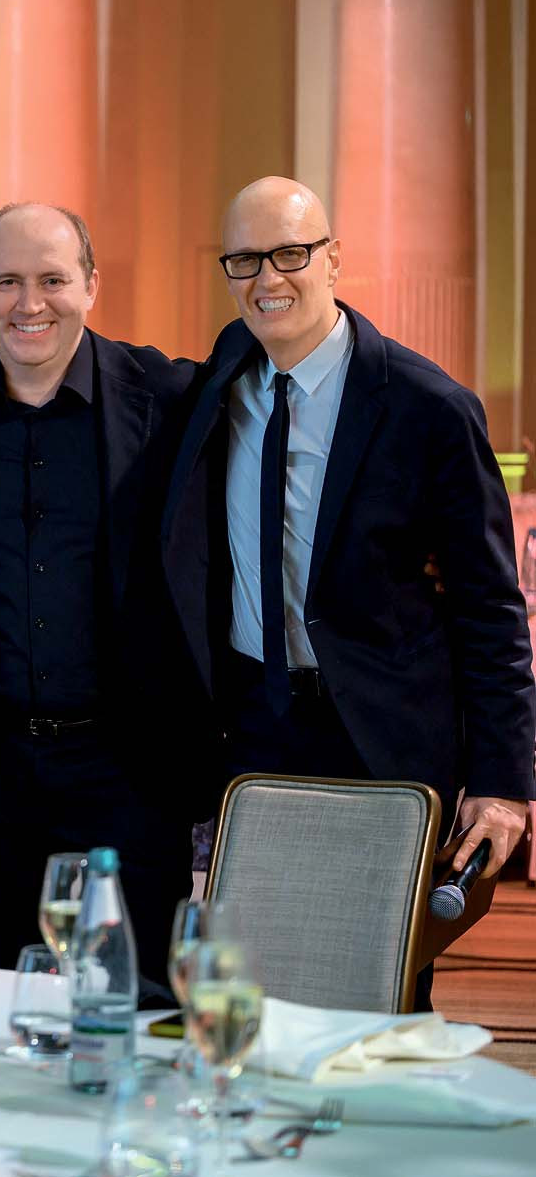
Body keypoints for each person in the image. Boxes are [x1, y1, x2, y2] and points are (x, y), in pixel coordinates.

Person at [162, 177, 535, 893]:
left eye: (290, 253)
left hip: (384, 738)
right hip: (252, 731)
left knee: (373, 952)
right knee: (255, 948)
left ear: (333, 258)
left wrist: (502, 780)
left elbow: (490, 607)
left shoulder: (429, 408)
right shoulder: (220, 377)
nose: (267, 279)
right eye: (244, 260)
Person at [0, 203, 206, 987]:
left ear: (91, 285)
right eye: (6, 282)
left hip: (128, 773)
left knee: (131, 1004)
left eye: (51, 280)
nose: (28, 303)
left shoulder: (168, 397)